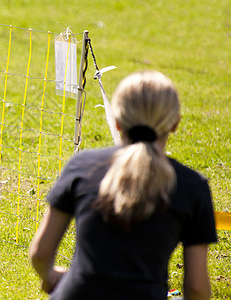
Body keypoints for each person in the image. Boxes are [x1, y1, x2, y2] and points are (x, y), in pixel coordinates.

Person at [29, 71, 217, 299]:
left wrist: (51, 277)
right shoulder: (192, 186)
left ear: (117, 122)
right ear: (175, 123)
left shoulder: (82, 165)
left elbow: (40, 253)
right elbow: (196, 287)